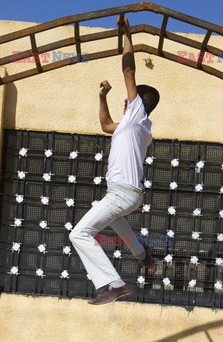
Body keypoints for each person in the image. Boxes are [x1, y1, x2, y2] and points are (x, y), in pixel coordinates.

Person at [69, 14, 160, 305]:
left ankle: (114, 284)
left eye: (129, 100)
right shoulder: (135, 127)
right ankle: (143, 256)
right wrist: (102, 97)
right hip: (128, 194)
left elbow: (129, 71)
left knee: (80, 233)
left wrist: (127, 36)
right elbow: (106, 125)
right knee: (117, 222)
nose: (126, 101)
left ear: (138, 104)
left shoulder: (138, 116)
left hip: (122, 193)